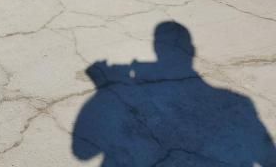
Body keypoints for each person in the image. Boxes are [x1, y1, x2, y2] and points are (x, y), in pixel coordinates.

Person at [73, 21, 276, 166]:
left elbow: (83, 152)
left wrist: (106, 90)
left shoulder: (136, 97)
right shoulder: (239, 104)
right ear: (192, 50)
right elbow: (268, 158)